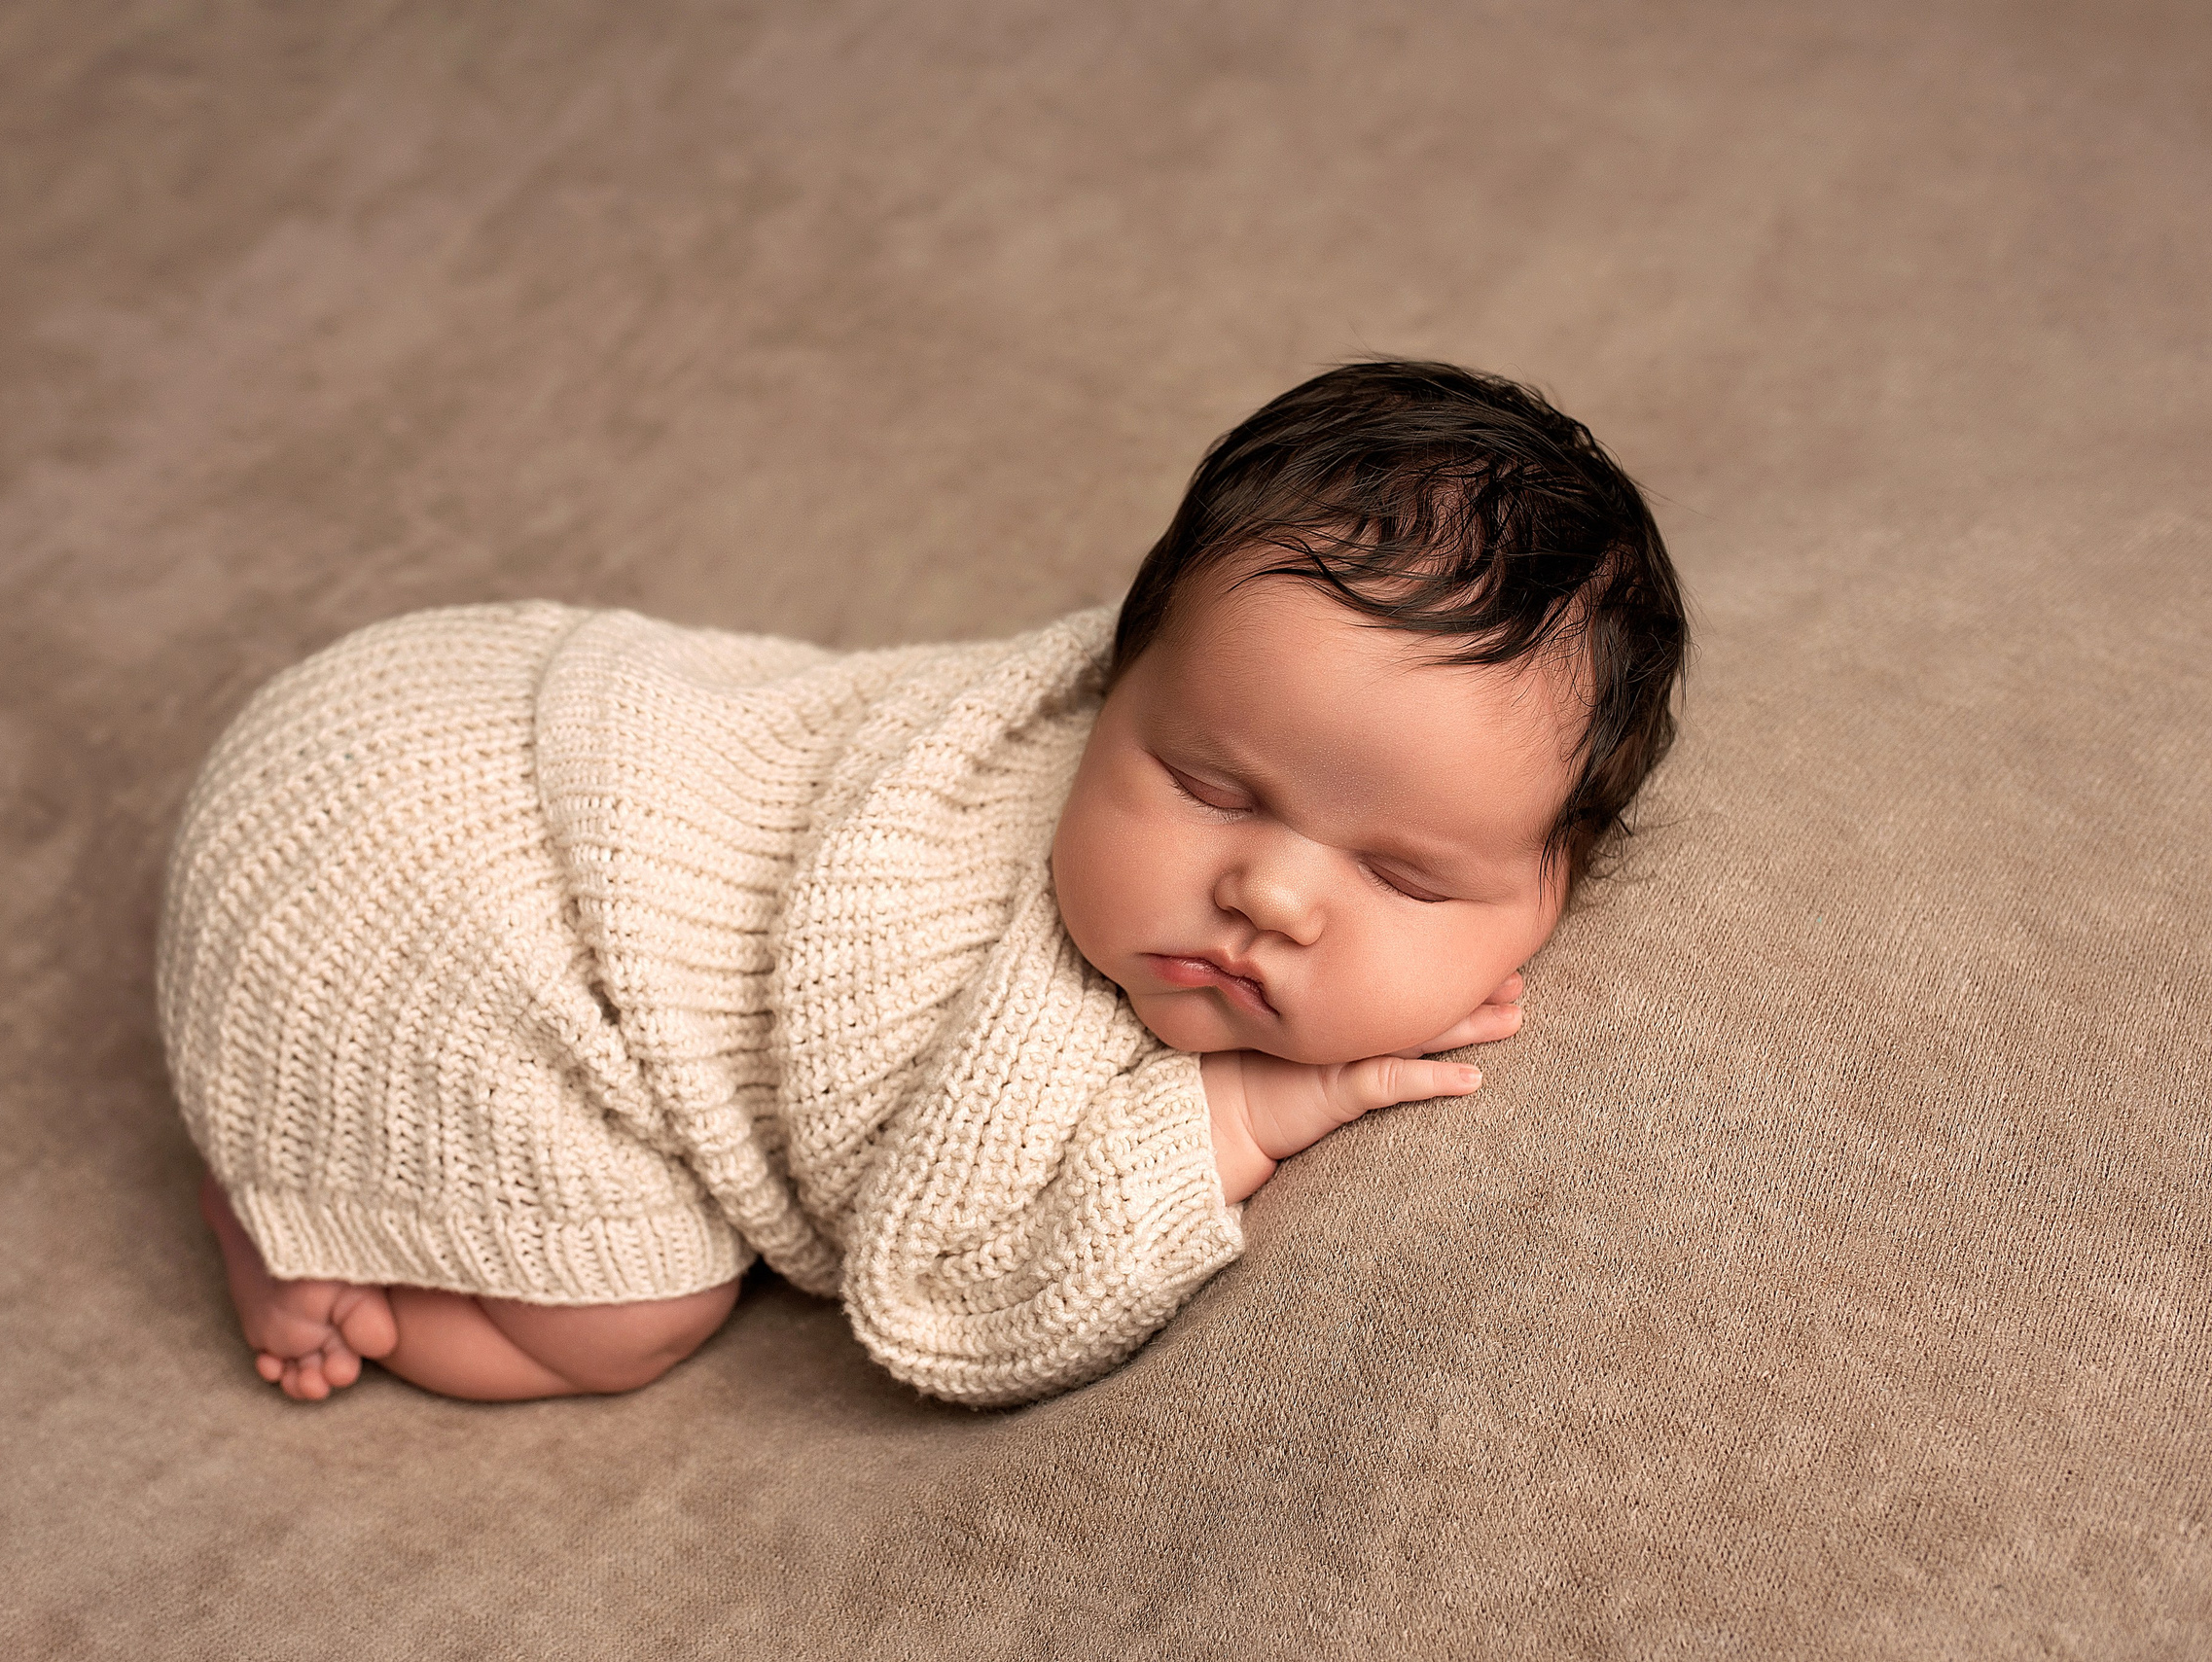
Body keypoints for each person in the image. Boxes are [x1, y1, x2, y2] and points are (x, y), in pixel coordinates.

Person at [160, 358, 1688, 1409]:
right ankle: (329, 1241)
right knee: (625, 1316)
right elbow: (943, 1299)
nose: (1270, 894)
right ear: (1114, 682)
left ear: (1547, 892)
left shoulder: (1230, 761)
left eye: (1405, 875)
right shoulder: (989, 951)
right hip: (425, 873)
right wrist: (1232, 1115)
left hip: (457, 714)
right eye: (1210, 786)